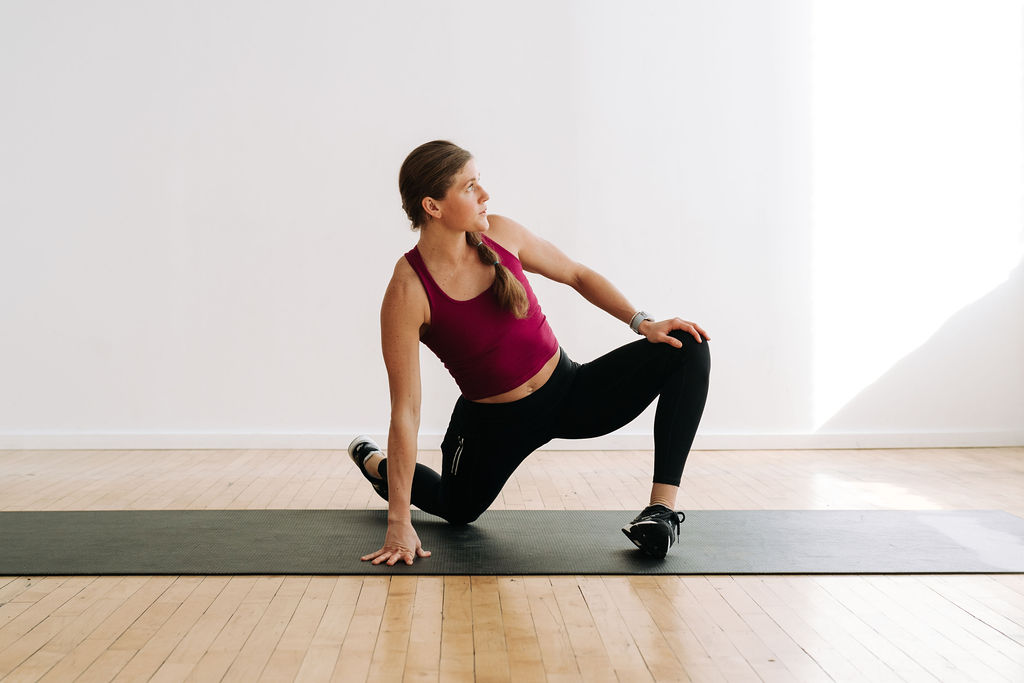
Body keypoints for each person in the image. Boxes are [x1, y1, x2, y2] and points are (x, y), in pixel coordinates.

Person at [349, 140, 710, 567]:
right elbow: (406, 410)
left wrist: (642, 322)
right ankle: (375, 465)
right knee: (457, 510)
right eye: (470, 187)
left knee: (686, 347)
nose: (485, 194)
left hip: (570, 392)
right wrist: (398, 521)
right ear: (433, 205)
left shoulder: (501, 233)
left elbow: (576, 273)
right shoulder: (408, 290)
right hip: (494, 428)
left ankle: (660, 513)